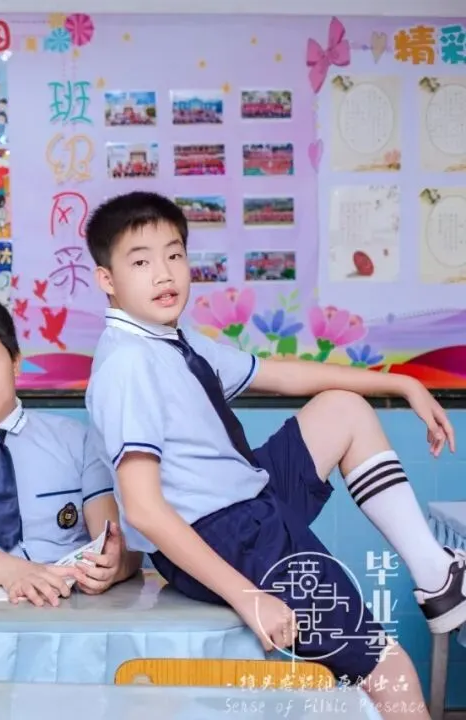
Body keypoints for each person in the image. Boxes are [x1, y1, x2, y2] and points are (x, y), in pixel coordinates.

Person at [83, 190, 463, 718]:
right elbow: (144, 509)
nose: (164, 274)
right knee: (390, 670)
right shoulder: (129, 364)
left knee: (342, 409)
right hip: (229, 538)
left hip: (247, 496)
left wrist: (401, 383)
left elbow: (280, 374)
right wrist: (247, 596)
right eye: (141, 262)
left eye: (174, 255)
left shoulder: (172, 341)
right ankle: (435, 590)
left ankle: (435, 574)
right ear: (107, 280)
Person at [0, 293, 142, 606]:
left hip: (73, 606)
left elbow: (113, 536)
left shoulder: (79, 441)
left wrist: (115, 566)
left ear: (15, 363)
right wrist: (16, 573)